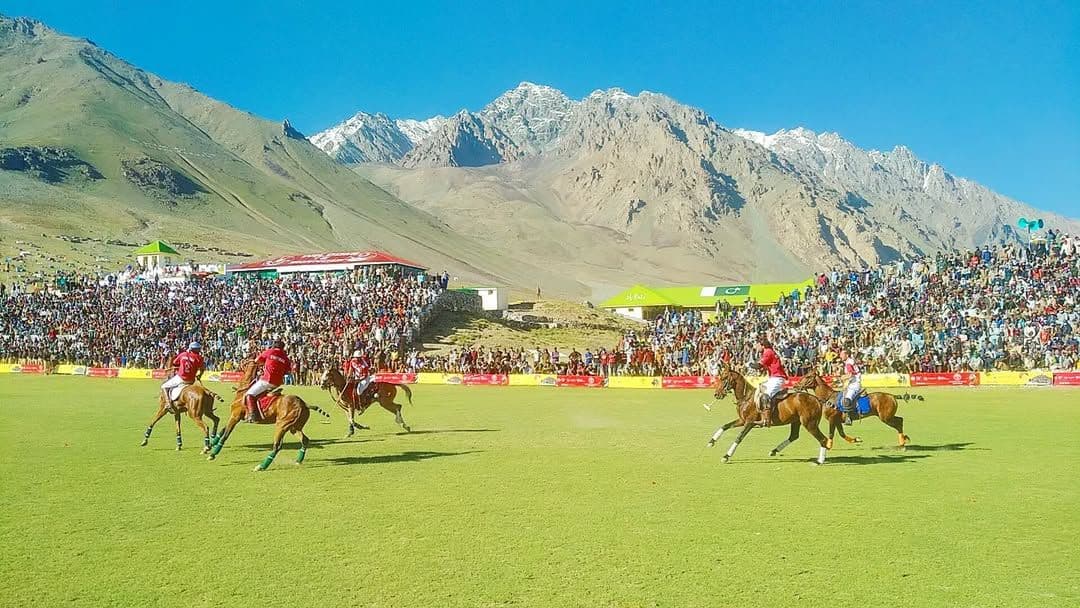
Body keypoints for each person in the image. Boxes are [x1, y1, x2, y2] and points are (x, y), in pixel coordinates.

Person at [245, 340, 291, 423]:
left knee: (249, 394)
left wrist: (265, 363)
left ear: (273, 346)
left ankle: (252, 416)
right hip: (277, 383)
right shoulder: (285, 357)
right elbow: (288, 371)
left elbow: (257, 360)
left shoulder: (270, 351)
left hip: (267, 380)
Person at [160, 342, 204, 414]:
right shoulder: (199, 358)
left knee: (164, 386)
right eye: (198, 349)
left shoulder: (183, 355)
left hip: (181, 378)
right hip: (191, 380)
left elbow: (175, 363)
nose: (199, 350)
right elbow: (202, 369)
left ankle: (168, 404)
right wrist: (199, 376)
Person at [755, 337, 787, 426]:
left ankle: (766, 420)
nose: (756, 347)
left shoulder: (768, 352)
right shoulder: (768, 351)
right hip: (773, 377)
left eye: (757, 345)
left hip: (777, 378)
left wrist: (750, 365)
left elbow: (759, 365)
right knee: (760, 389)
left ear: (762, 345)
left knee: (766, 395)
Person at [839, 349, 862, 425]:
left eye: (842, 355)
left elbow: (850, 375)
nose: (840, 356)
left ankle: (849, 418)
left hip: (854, 384)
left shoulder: (849, 363)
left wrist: (841, 378)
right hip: (852, 383)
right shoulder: (849, 362)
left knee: (847, 399)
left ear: (847, 355)